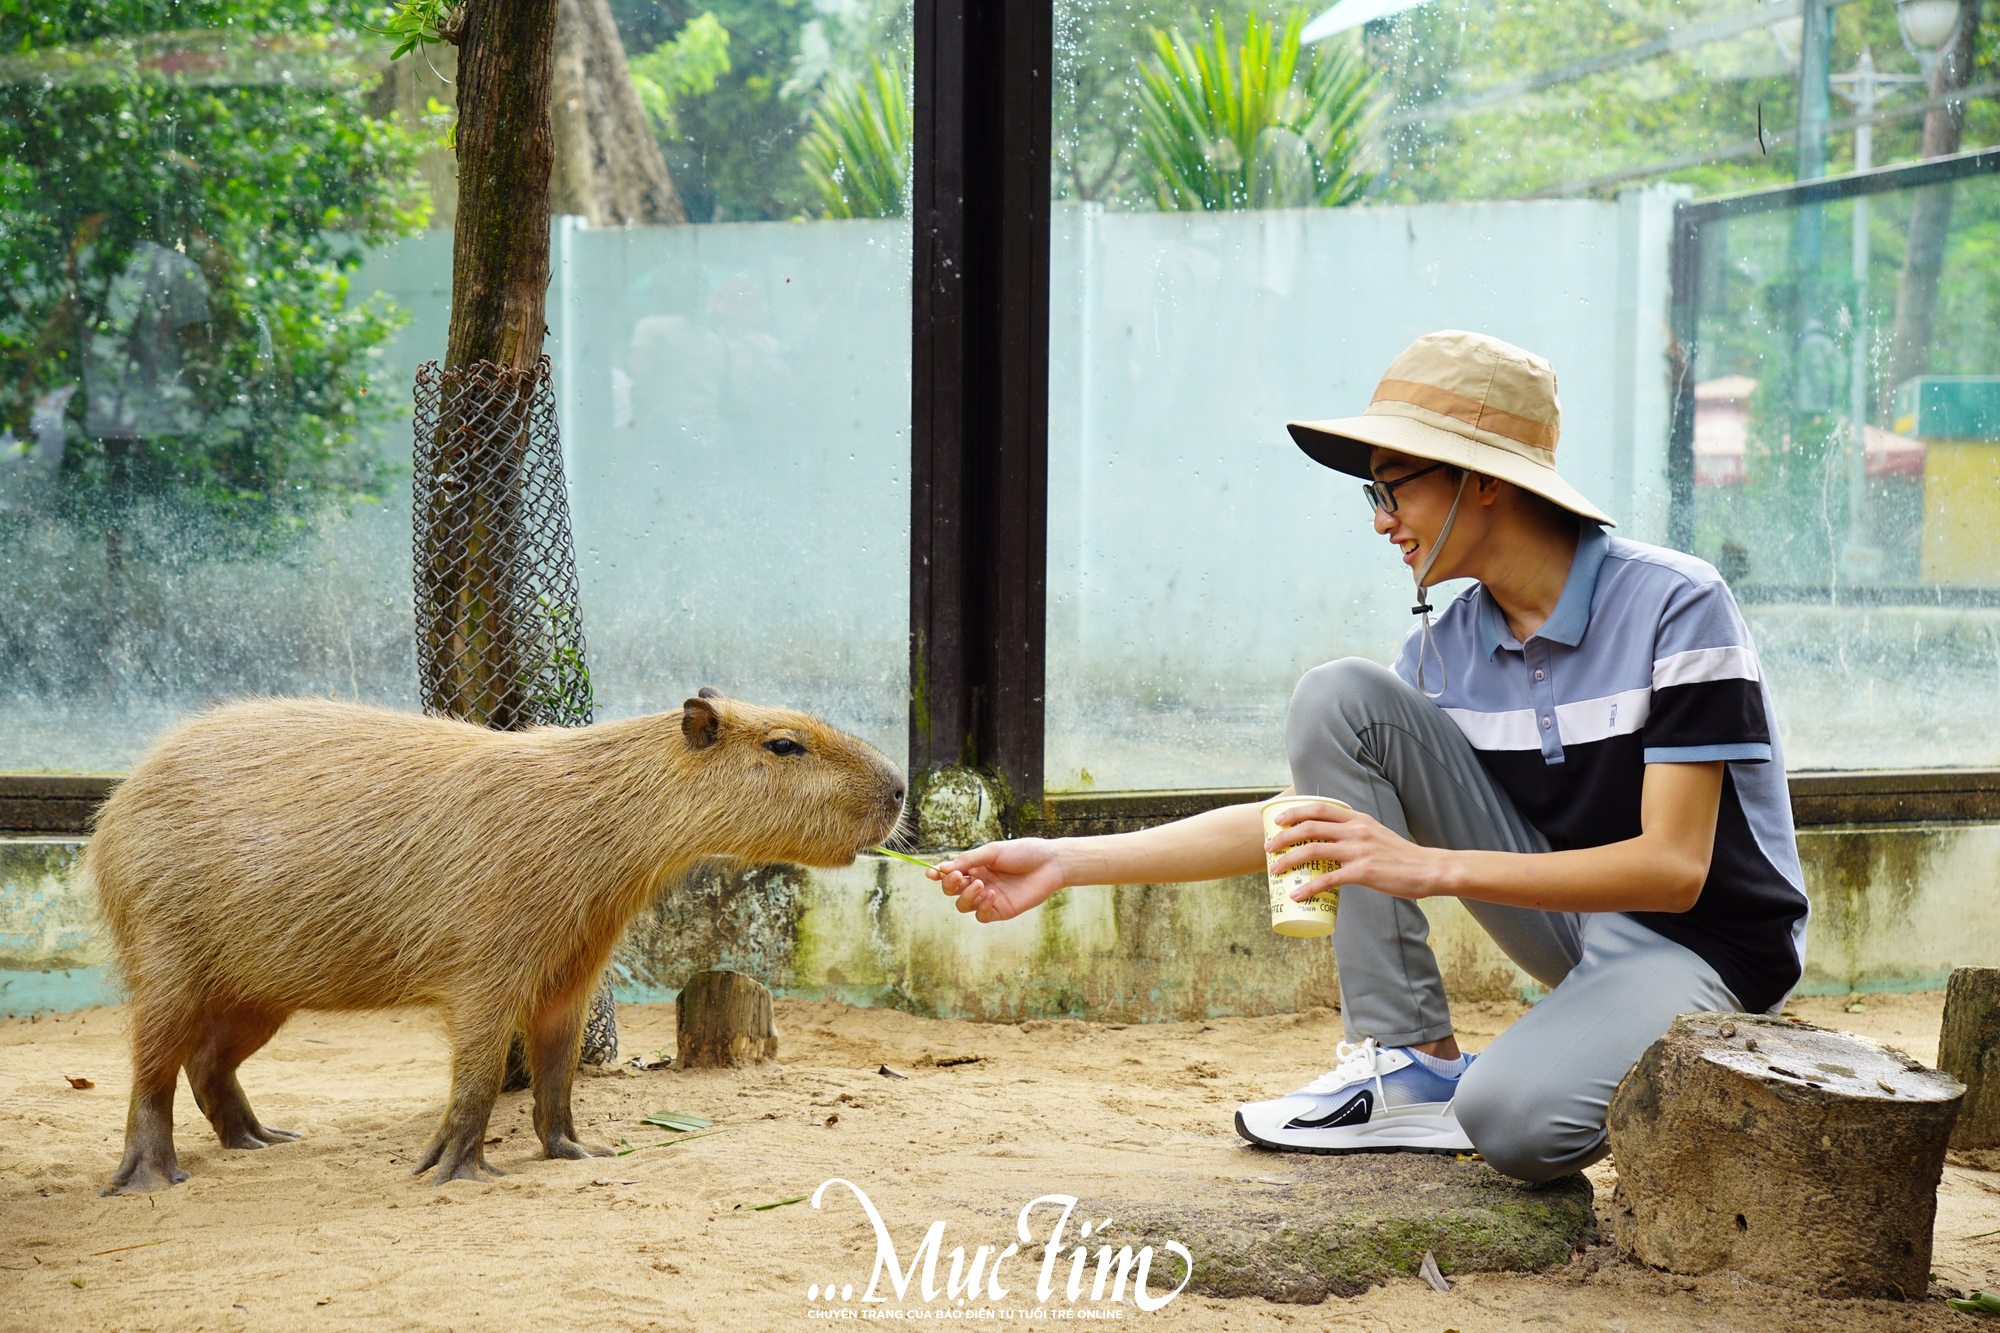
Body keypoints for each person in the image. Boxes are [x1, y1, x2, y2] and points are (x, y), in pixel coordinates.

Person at [928, 329, 1808, 1185]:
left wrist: (1426, 866)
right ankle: (1412, 1060)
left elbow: (1676, 869)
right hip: (1572, 925)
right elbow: (1311, 818)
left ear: (1481, 480)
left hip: (1704, 943)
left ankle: (1541, 1065)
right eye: (1373, 496)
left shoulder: (1677, 604)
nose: (1383, 521)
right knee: (1339, 698)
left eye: (1393, 489)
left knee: (1510, 1122)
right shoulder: (1444, 649)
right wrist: (1067, 861)